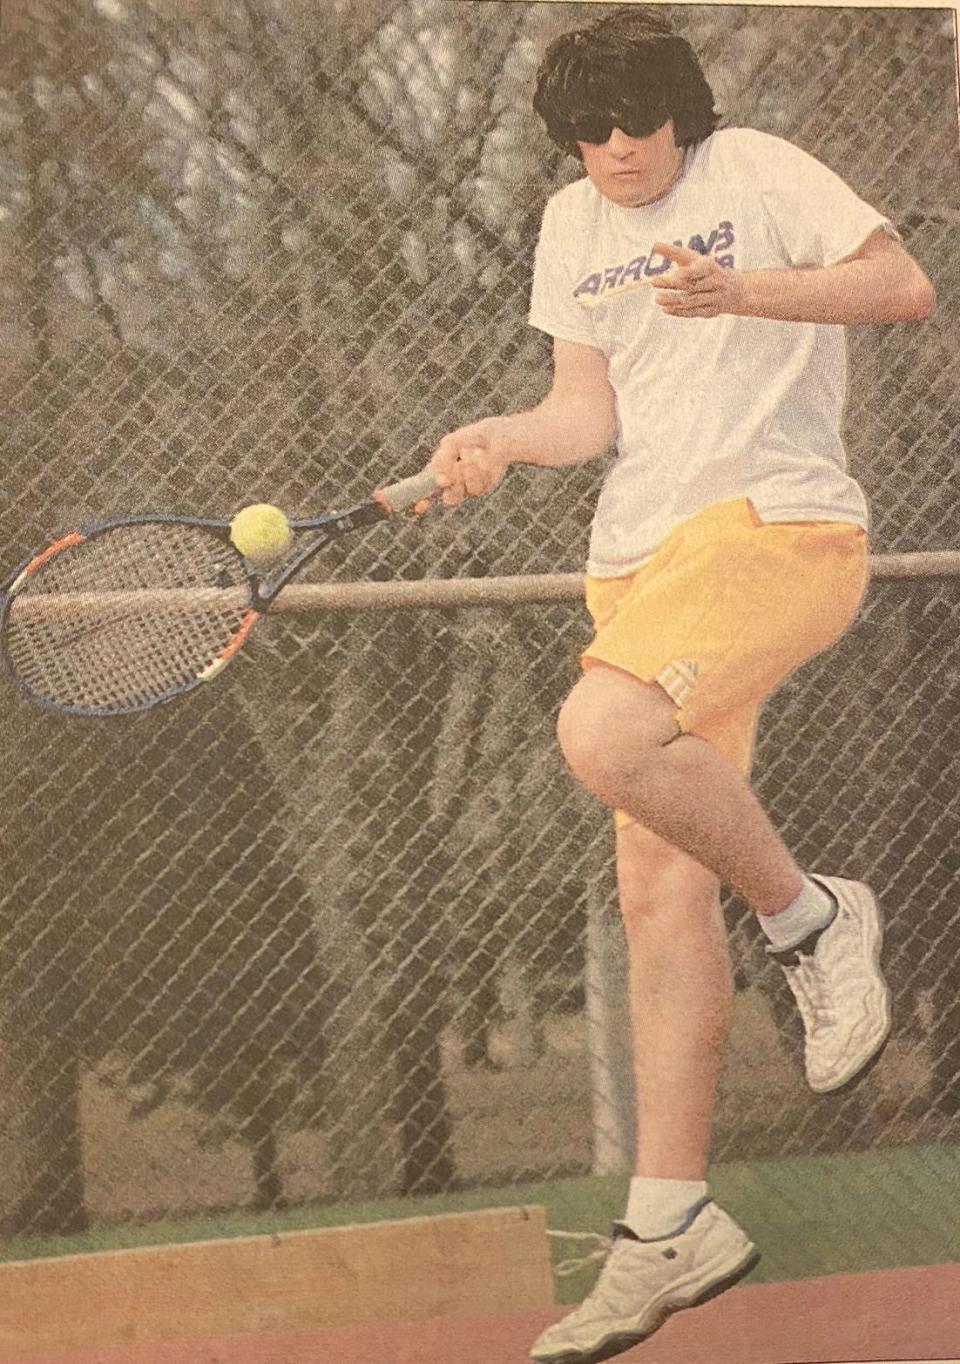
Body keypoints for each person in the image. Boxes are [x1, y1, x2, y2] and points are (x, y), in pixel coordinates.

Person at [426, 8, 936, 1364]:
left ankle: (816, 917)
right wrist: (496, 442)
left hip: (774, 523)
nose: (615, 155)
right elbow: (585, 414)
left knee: (600, 728)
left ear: (681, 117)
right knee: (657, 891)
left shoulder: (756, 168)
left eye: (636, 133)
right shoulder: (568, 220)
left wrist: (748, 289)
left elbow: (901, 289)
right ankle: (669, 1227)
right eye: (589, 139)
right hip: (636, 564)